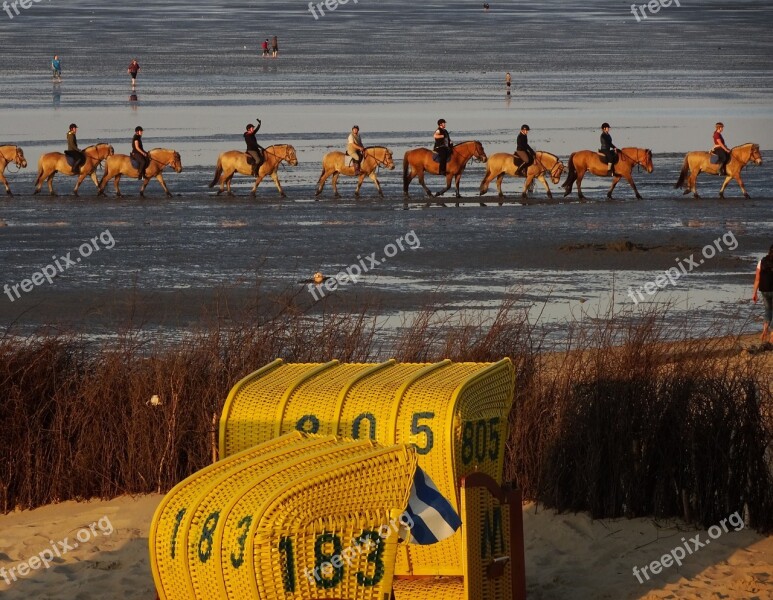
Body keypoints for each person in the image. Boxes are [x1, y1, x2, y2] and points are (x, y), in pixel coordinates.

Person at [752, 245, 773, 343]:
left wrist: (754, 292)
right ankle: (772, 334)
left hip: (764, 290)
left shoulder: (762, 261)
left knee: (768, 310)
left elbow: (757, 278)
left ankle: (764, 330)